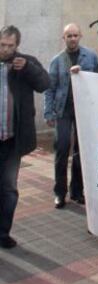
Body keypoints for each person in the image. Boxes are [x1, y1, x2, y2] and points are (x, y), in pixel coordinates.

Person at [0, 25, 50, 248]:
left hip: (12, 140)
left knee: (8, 187)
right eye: (2, 45)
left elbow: (45, 84)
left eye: (11, 46)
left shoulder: (25, 62)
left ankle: (2, 234)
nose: (6, 50)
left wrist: (28, 68)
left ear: (17, 46)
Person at [44, 23, 98, 209]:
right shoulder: (57, 60)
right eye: (69, 36)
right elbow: (49, 89)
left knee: (80, 152)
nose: (73, 38)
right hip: (63, 111)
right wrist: (48, 112)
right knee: (62, 149)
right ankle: (60, 193)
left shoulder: (90, 56)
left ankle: (77, 191)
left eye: (75, 35)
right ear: (64, 38)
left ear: (80, 36)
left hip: (84, 110)